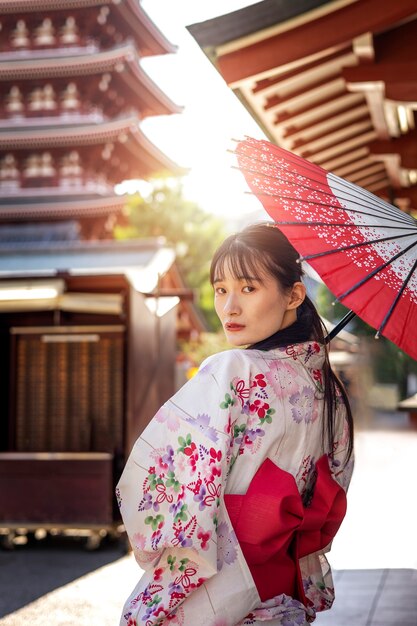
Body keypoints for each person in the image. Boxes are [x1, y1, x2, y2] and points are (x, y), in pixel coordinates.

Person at [117, 223, 354, 626]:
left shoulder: (232, 370)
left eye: (248, 288)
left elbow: (160, 477)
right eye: (221, 288)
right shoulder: (329, 391)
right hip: (282, 591)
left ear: (294, 294)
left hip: (221, 583)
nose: (229, 307)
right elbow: (335, 478)